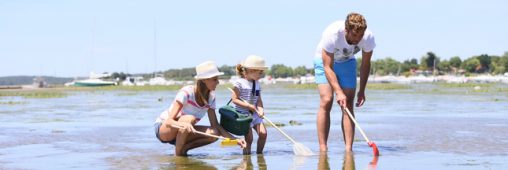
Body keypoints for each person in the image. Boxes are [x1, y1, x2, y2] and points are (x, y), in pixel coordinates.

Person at [154, 61, 246, 156]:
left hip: (182, 132)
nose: (218, 82)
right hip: (164, 129)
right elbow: (168, 122)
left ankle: (183, 150)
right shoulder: (187, 92)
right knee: (189, 119)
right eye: (215, 79)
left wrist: (235, 140)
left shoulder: (211, 98)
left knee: (214, 133)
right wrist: (182, 124)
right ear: (203, 80)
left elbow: (216, 125)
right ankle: (178, 159)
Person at [313, 12, 376, 152]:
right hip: (325, 62)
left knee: (347, 103)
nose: (358, 39)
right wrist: (338, 91)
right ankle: (323, 148)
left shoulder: (368, 38)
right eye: (354, 35)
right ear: (346, 30)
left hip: (347, 61)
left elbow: (365, 65)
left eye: (361, 36)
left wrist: (362, 90)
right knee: (327, 99)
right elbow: (328, 67)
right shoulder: (332, 33)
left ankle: (348, 149)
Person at [230, 55, 268, 155]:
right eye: (260, 72)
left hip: (255, 114)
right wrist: (248, 106)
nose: (261, 74)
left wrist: (261, 109)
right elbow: (234, 99)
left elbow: (258, 100)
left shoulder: (257, 84)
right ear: (251, 70)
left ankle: (259, 155)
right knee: (249, 139)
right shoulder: (239, 83)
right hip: (243, 115)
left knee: (263, 133)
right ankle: (247, 156)